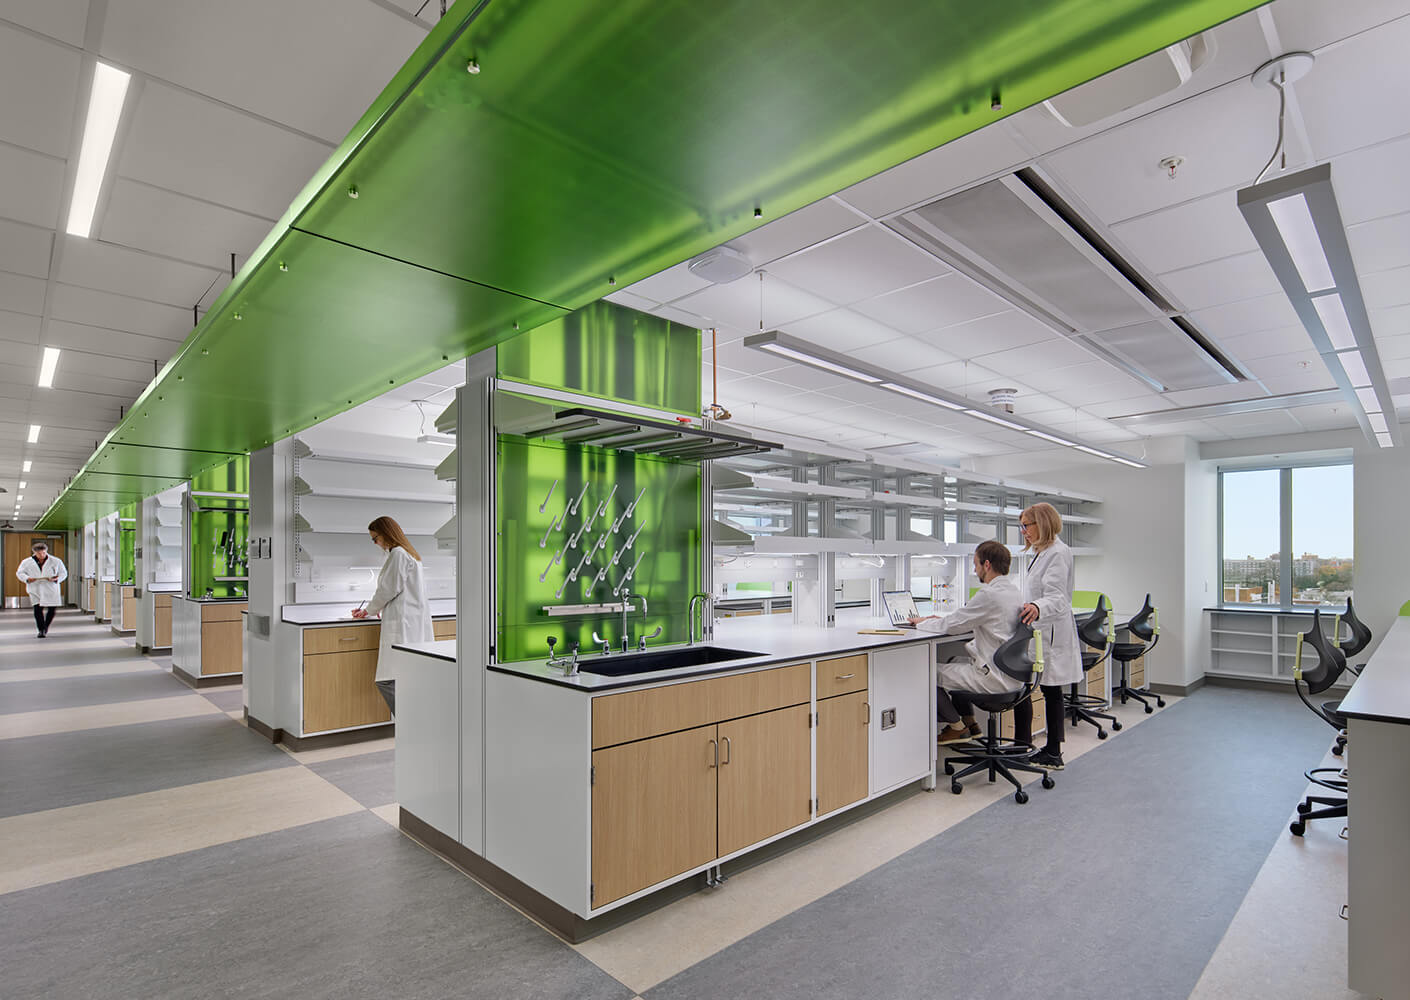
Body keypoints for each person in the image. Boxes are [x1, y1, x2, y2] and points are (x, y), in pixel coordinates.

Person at [909, 539, 1023, 744]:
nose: (975, 569)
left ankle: (956, 727)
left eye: (976, 564)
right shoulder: (1013, 591)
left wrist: (920, 624)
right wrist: (940, 620)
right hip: (1012, 675)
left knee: (924, 671)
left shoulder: (988, 594)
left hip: (993, 678)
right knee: (953, 661)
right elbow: (980, 619)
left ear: (986, 565)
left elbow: (951, 626)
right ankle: (971, 724)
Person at [1015, 502, 1081, 770]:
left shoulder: (1057, 553)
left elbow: (1057, 597)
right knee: (1035, 689)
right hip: (1041, 630)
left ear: (1041, 524)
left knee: (1048, 690)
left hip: (1050, 632)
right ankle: (1031, 747)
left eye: (1026, 525)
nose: (1023, 531)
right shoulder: (1043, 553)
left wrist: (1037, 607)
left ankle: (1051, 752)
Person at [351, 516, 432, 715]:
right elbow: (396, 589)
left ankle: (409, 723)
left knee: (387, 680)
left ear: (386, 533)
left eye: (375, 538)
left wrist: (368, 610)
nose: (375, 543)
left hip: (403, 624)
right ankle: (414, 723)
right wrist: (376, 608)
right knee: (407, 679)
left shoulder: (398, 554)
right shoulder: (411, 555)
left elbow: (387, 589)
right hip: (411, 622)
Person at [17, 540, 68, 638]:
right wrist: (27, 579)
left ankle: (45, 627)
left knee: (52, 610)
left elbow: (63, 573)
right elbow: (20, 573)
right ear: (34, 553)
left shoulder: (56, 561)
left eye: (43, 553)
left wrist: (57, 579)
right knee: (37, 610)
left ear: (46, 551)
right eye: (39, 553)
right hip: (35, 588)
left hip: (51, 588)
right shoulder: (26, 562)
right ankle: (41, 630)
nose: (42, 555)